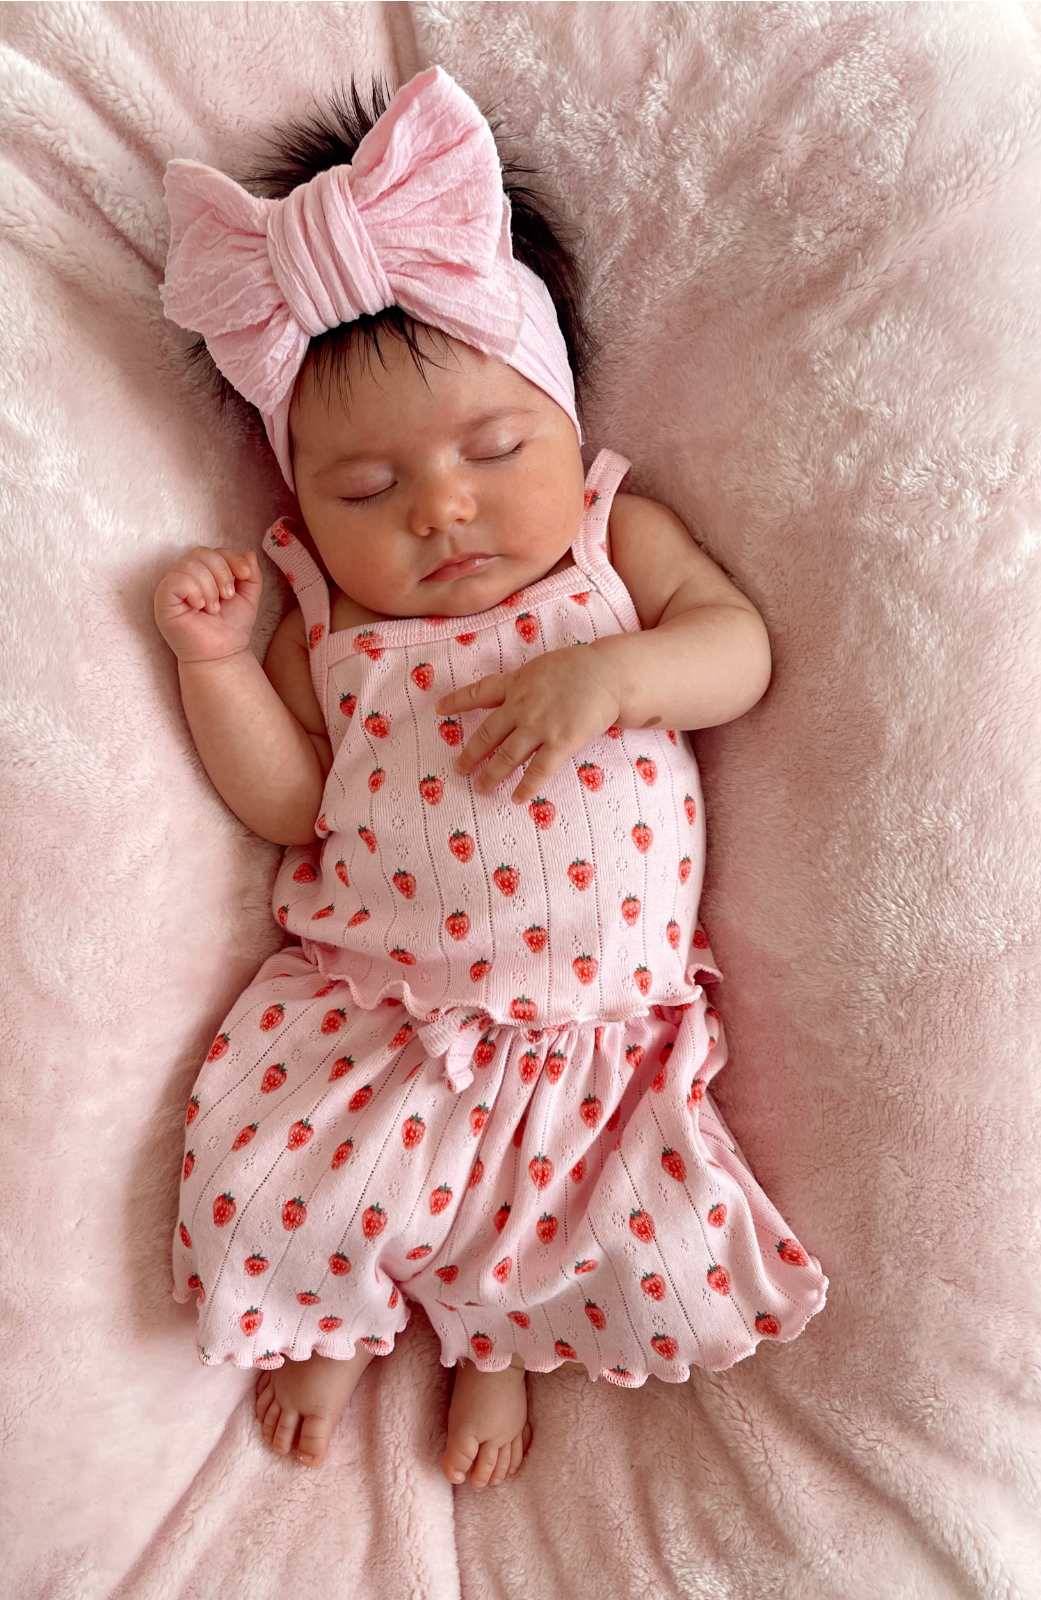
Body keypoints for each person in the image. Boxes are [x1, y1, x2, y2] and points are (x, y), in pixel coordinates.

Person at [153, 65, 827, 1492]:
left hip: (594, 1025)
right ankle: (336, 1315)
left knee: (563, 1214)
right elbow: (288, 803)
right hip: (394, 1008)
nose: (443, 507)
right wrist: (220, 669)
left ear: (564, 420)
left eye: (496, 446)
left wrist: (625, 676)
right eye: (364, 492)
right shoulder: (337, 630)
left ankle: (494, 1350)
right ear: (301, 509)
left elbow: (741, 653)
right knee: (314, 1178)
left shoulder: (607, 547)